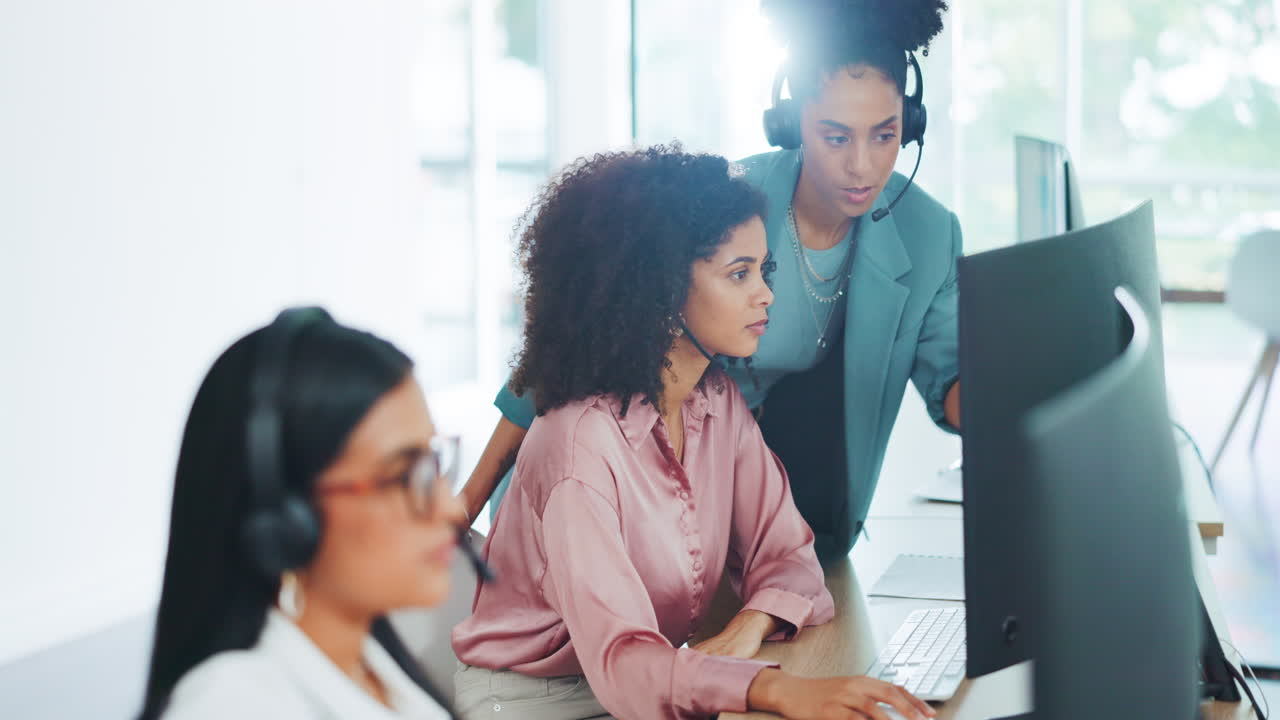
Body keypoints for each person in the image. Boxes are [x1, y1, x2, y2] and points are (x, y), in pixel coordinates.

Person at [460, 0, 961, 565]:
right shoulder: (727, 203)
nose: (863, 166)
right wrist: (467, 501)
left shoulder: (929, 234)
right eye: (836, 137)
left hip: (782, 527)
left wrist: (1030, 397)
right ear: (793, 123)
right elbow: (570, 336)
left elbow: (956, 376)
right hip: (629, 503)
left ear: (910, 124)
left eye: (885, 134)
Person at [451, 147, 935, 720]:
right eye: (739, 274)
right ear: (657, 292)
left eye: (764, 270)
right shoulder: (578, 445)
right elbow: (625, 662)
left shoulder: (715, 402)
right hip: (534, 704)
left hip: (641, 684)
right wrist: (769, 687)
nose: (766, 295)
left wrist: (748, 632)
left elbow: (789, 557)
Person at [139, 308, 462, 719]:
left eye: (432, 465)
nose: (450, 508)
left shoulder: (363, 657)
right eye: (402, 477)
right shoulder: (234, 705)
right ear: (287, 521)